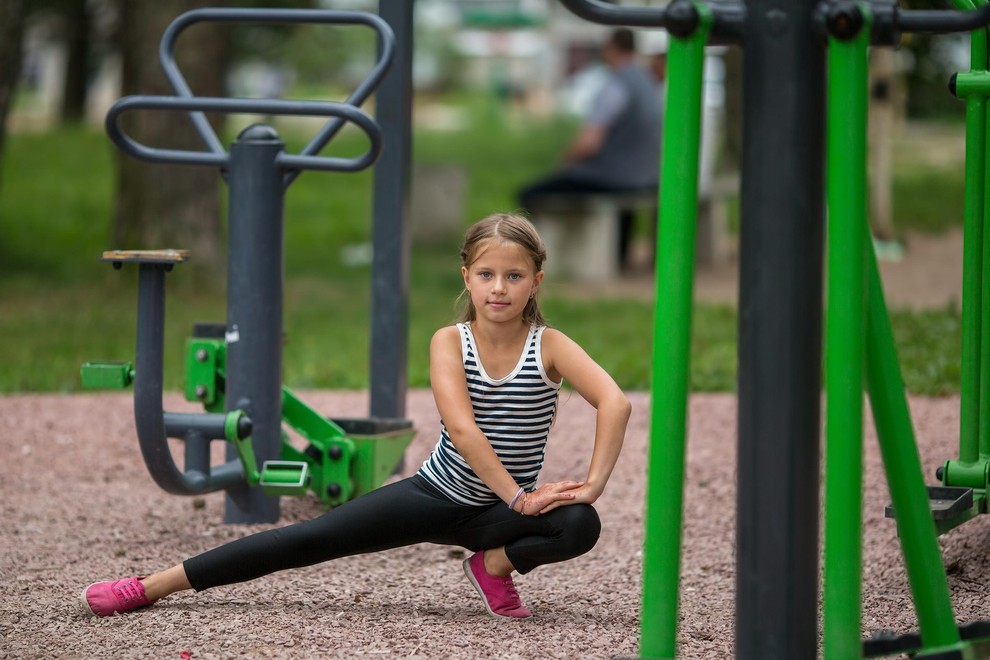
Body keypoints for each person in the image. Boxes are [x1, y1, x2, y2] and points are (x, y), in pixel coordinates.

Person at [81, 212, 631, 621]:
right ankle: (151, 586)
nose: (499, 288)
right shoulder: (449, 342)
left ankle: (491, 567)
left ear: (537, 281)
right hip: (434, 496)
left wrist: (592, 485)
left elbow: (615, 402)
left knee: (580, 524)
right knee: (305, 540)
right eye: (487, 274)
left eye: (514, 276)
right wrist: (521, 497)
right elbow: (462, 430)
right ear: (466, 277)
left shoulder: (550, 345)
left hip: (498, 515)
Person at [518, 28, 662, 271]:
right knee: (620, 199)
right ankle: (618, 257)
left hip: (611, 176)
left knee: (530, 194)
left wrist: (566, 162)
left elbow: (589, 142)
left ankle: (538, 257)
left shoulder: (616, 86)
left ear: (610, 48)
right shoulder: (649, 85)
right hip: (644, 176)